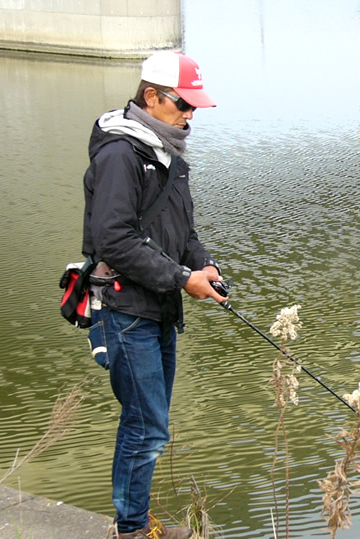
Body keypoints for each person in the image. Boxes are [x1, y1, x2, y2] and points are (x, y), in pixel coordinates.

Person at [82, 51, 227, 539]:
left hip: (158, 307)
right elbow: (114, 240)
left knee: (149, 423)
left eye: (194, 107)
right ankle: (132, 529)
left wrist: (203, 263)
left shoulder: (166, 152)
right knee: (147, 427)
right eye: (184, 104)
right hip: (124, 311)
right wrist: (183, 280)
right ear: (152, 97)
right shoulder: (122, 154)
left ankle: (135, 521)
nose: (190, 115)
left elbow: (181, 232)